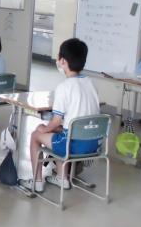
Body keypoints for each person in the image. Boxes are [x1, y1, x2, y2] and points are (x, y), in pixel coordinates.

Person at [26, 38, 100, 192]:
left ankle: (36, 182)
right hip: (94, 143)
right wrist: (52, 128)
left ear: (63, 61)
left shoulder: (64, 87)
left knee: (36, 135)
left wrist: (43, 128)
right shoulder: (91, 83)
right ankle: (62, 178)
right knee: (58, 132)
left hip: (73, 145)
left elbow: (55, 121)